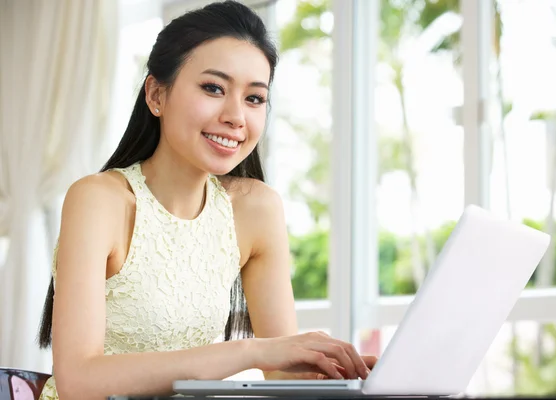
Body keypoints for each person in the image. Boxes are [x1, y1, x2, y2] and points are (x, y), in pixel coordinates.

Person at [36, 1, 376, 399]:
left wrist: (332, 373)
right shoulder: (99, 200)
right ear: (156, 94)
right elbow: (80, 381)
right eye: (214, 88)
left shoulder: (256, 209)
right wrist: (249, 351)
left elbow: (281, 376)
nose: (236, 116)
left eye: (254, 98)